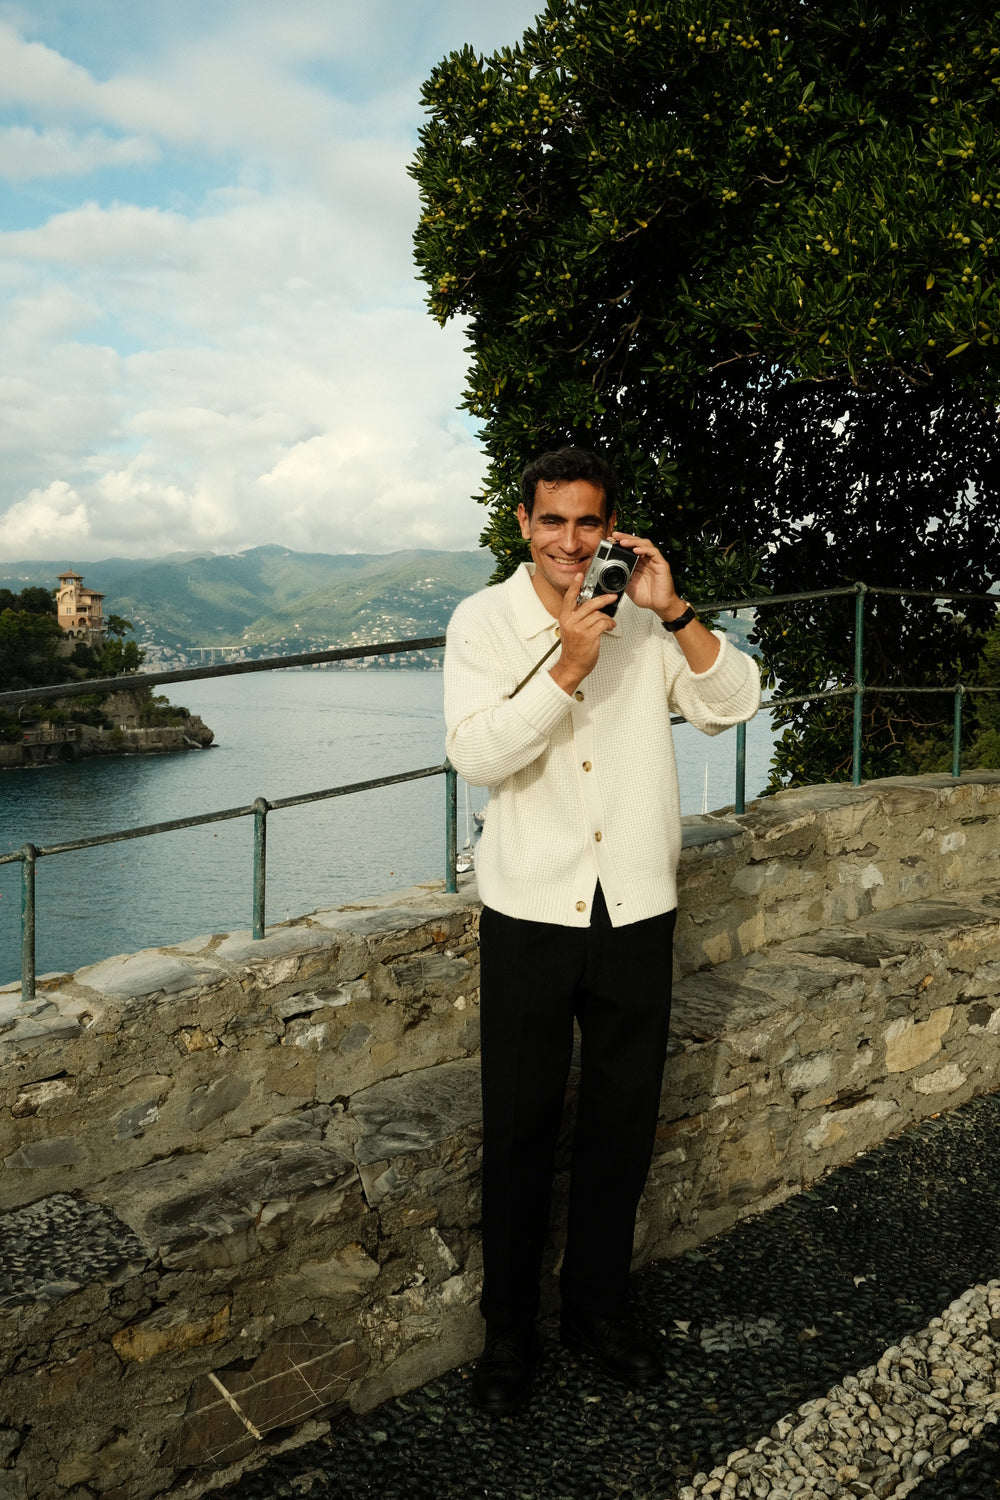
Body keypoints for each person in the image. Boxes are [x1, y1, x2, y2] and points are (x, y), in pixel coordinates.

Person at [443, 447, 761, 1414]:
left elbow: (733, 703)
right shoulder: (483, 622)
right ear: (523, 524)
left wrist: (675, 613)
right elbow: (475, 755)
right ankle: (509, 1334)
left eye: (589, 525)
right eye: (553, 522)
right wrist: (568, 669)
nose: (571, 544)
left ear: (611, 529)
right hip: (530, 911)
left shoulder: (644, 621)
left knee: (624, 1124)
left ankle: (595, 1309)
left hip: (633, 906)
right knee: (520, 1126)